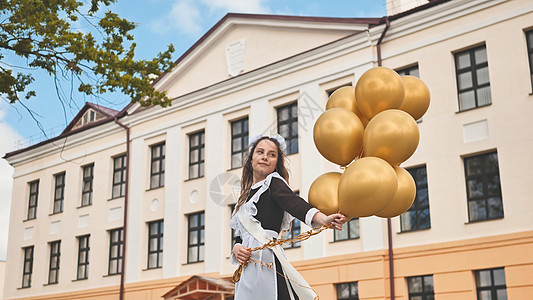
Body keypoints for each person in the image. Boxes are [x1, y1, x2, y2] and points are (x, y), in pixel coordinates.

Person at [230, 134, 347, 300]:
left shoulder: (273, 182)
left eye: (272, 154)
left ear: (276, 163)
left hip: (267, 260)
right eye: (260, 152)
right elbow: (240, 235)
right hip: (247, 267)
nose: (265, 157)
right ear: (251, 159)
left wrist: (323, 219)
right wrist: (236, 249)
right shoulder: (244, 196)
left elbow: (294, 204)